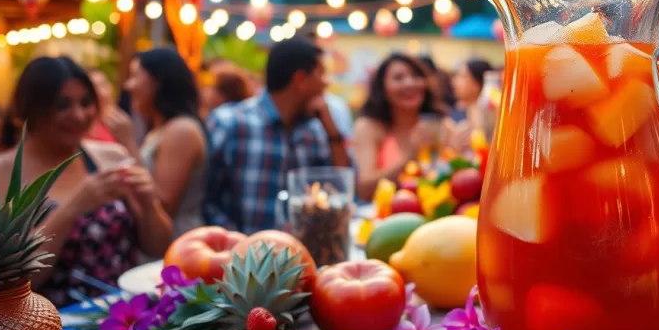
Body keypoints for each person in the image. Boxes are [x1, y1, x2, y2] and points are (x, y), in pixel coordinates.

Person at [0, 56, 172, 308]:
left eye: (86, 103)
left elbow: (157, 247)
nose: (78, 115)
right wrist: (72, 209)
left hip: (124, 317)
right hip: (48, 326)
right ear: (31, 109)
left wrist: (149, 204)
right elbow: (6, 283)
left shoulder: (109, 156)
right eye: (62, 105)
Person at [205, 39, 349, 234]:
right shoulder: (230, 123)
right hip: (239, 258)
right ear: (300, 80)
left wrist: (332, 131)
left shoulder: (315, 131)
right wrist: (236, 242)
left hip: (300, 258)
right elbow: (206, 200)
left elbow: (341, 191)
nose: (326, 83)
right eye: (321, 74)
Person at [122, 48, 208, 237]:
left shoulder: (181, 130)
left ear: (157, 82)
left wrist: (127, 141)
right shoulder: (162, 128)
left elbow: (163, 204)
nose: (128, 86)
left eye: (135, 76)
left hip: (177, 248)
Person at [352, 53, 448, 200]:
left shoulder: (441, 125)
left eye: (416, 76)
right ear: (382, 87)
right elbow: (365, 189)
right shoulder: (368, 127)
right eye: (398, 78)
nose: (409, 83)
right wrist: (411, 156)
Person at [450, 59, 493, 123]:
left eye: (462, 76)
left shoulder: (491, 117)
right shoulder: (459, 111)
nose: (454, 82)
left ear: (478, 83)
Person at [83, 68, 119, 143]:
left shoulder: (116, 121)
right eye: (95, 87)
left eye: (104, 84)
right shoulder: (83, 124)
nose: (102, 92)